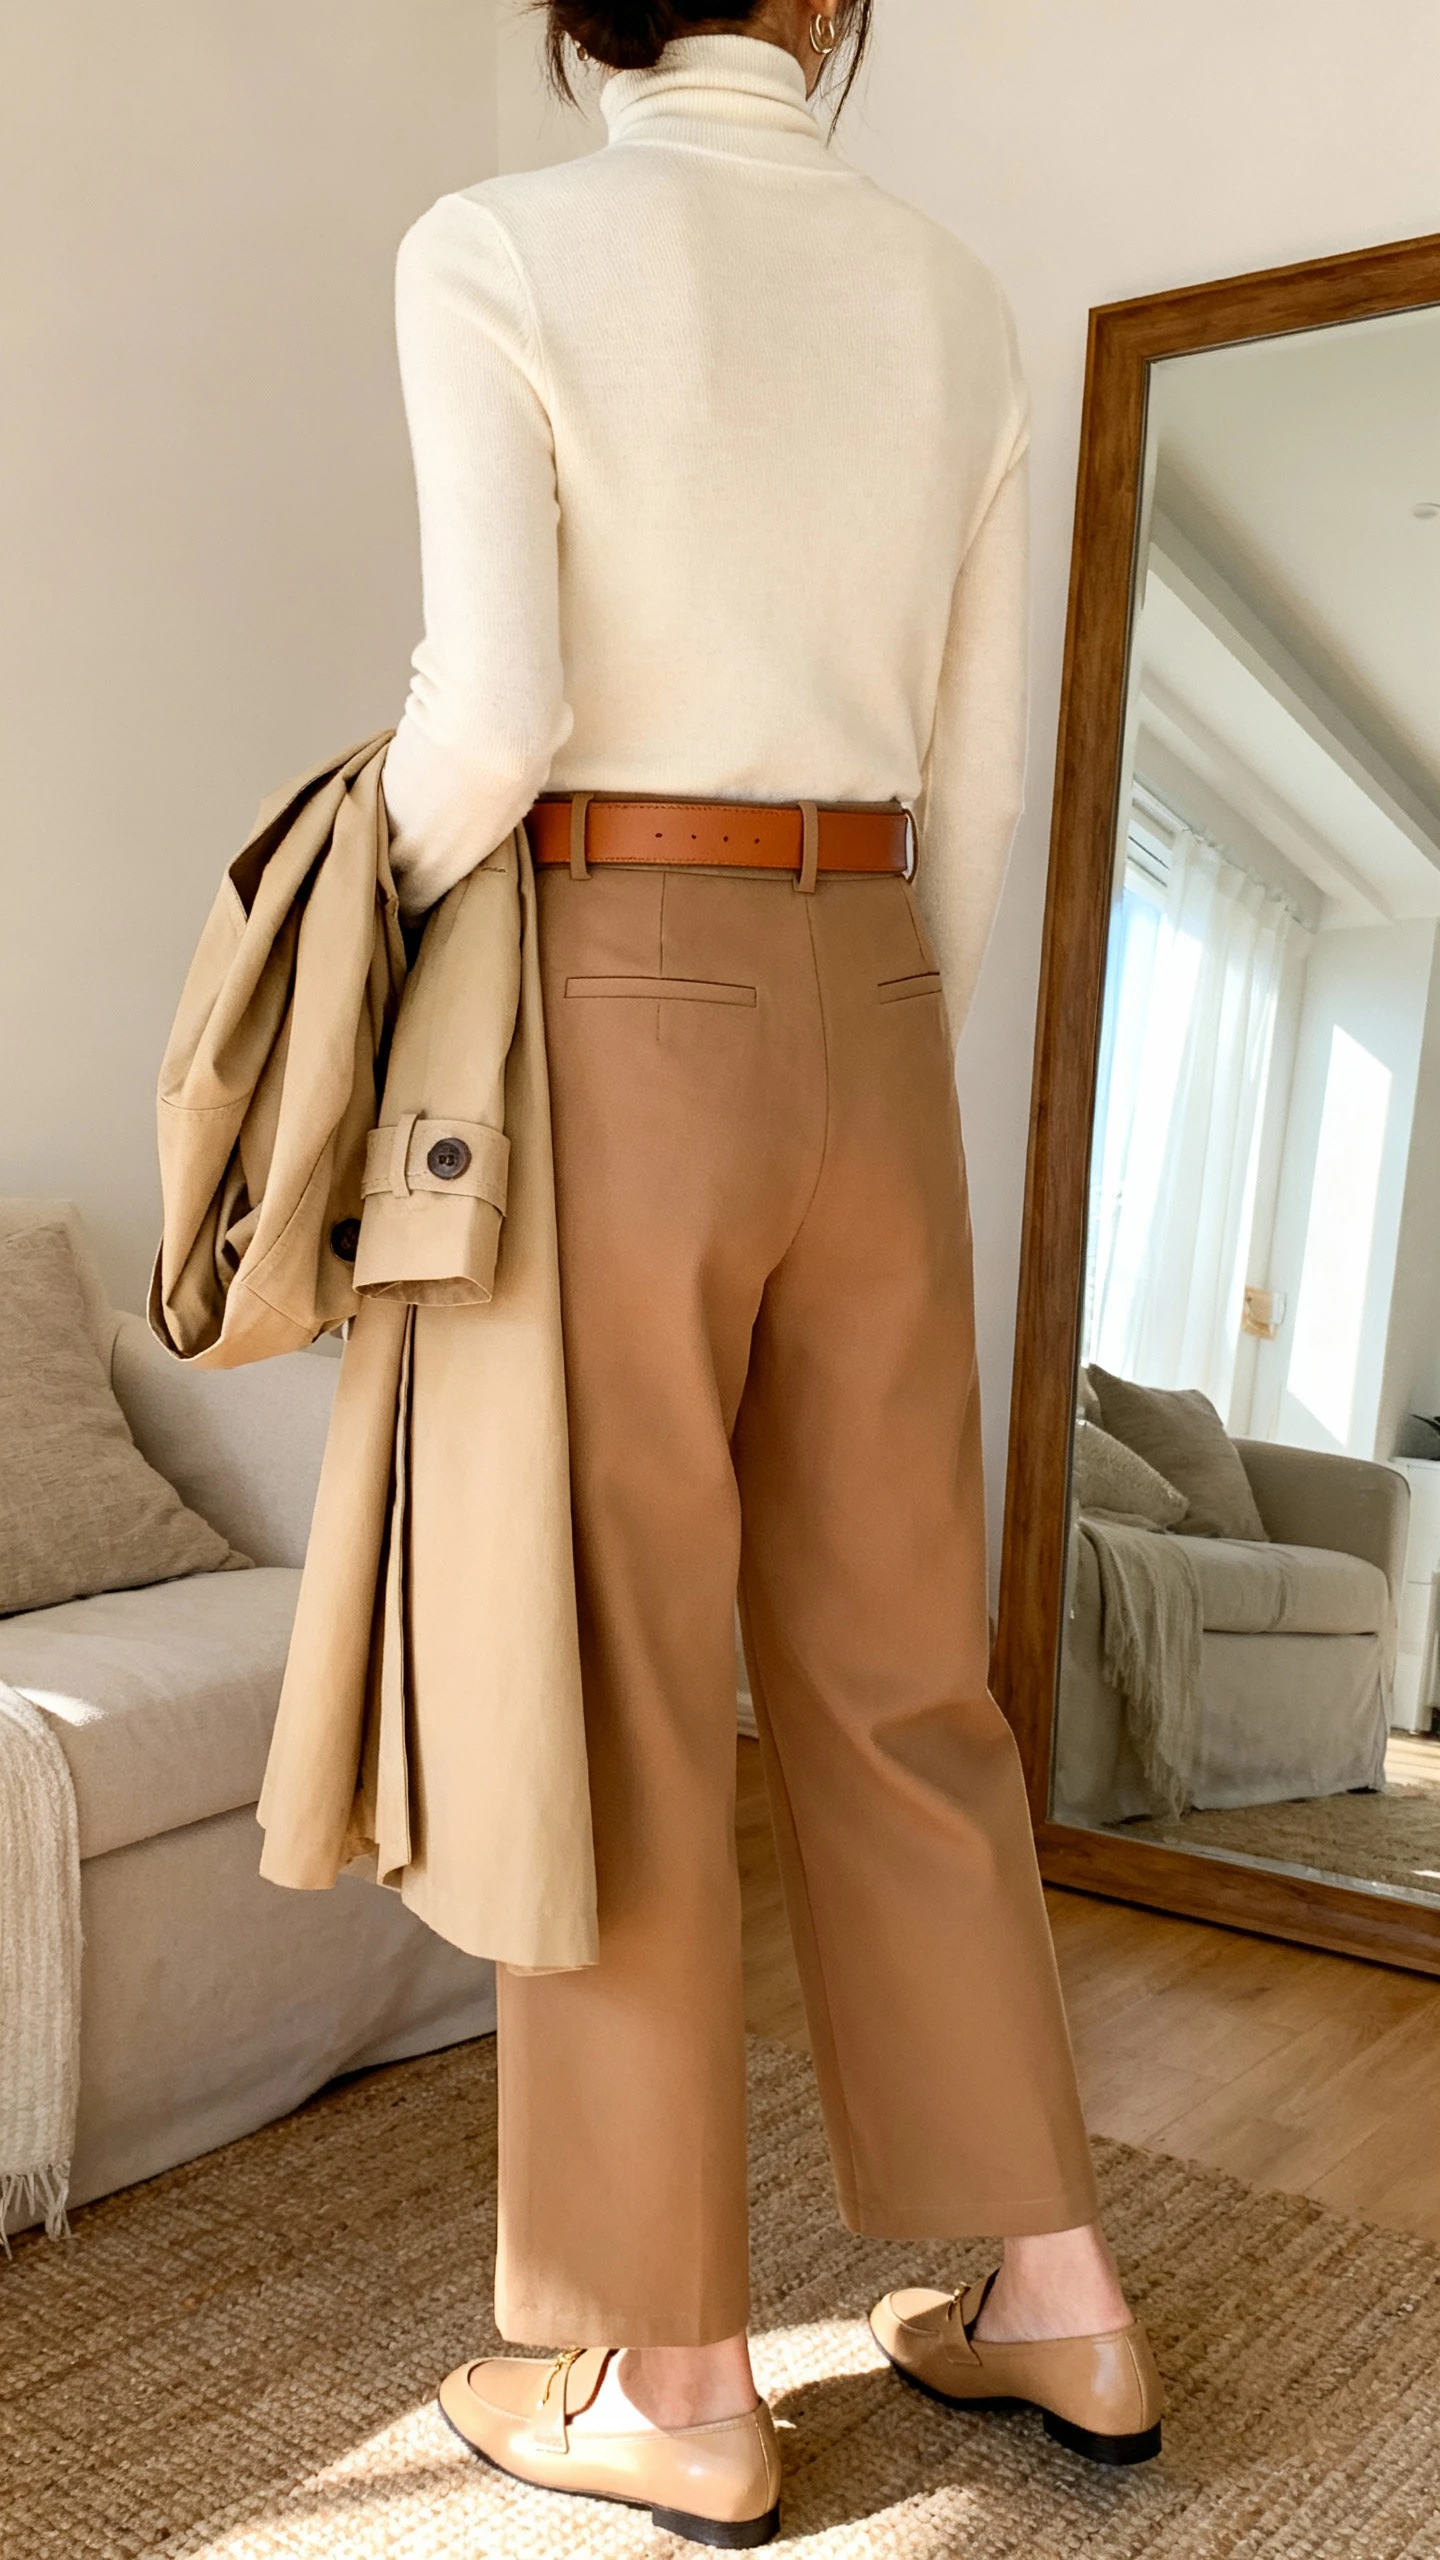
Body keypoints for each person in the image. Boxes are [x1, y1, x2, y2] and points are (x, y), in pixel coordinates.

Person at [380, 1, 1163, 2543]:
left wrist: (352, 903)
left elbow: (489, 722)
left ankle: (680, 2375)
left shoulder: (495, 245)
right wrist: (891, 1054)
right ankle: (1061, 2286)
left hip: (619, 968)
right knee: (903, 1671)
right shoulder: (951, 294)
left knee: (619, 1670)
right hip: (881, 986)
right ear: (833, 7)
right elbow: (987, 788)